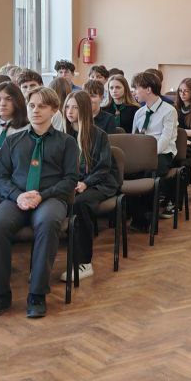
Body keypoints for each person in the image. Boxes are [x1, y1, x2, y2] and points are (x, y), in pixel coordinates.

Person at [0, 87, 80, 319]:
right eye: (32, 105)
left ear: (54, 110)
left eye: (42, 106)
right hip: (16, 197)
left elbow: (70, 180)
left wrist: (41, 196)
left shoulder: (66, 142)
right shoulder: (13, 141)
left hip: (51, 197)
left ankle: (37, 294)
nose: (35, 110)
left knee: (47, 223)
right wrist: (17, 195)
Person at [61, 90, 117, 283]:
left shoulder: (98, 135)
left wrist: (85, 183)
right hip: (73, 183)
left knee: (80, 204)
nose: (70, 111)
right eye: (67, 107)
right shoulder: (63, 134)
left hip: (99, 183)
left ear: (84, 109)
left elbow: (104, 168)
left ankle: (84, 262)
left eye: (75, 108)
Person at [131, 70, 178, 222]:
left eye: (136, 88)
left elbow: (165, 139)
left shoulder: (169, 111)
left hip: (162, 153)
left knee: (151, 172)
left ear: (148, 89)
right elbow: (134, 137)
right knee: (129, 173)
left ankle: (147, 217)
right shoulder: (139, 113)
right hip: (142, 154)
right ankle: (134, 214)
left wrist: (148, 157)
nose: (134, 92)